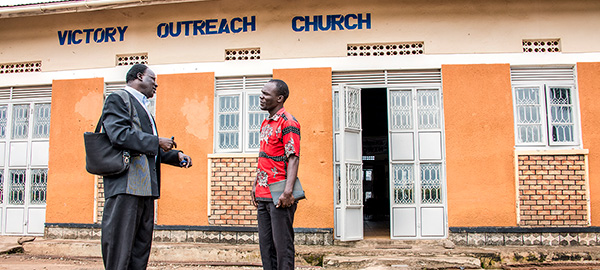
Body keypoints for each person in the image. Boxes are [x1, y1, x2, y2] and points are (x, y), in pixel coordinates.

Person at [101, 64, 192, 269]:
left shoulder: (144, 108)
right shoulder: (118, 99)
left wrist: (176, 156)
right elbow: (118, 135)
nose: (156, 85)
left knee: (140, 247)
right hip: (125, 185)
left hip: (145, 187)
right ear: (139, 76)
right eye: (153, 79)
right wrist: (156, 141)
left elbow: (147, 147)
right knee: (120, 245)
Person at [251, 79, 301, 270]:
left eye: (266, 94)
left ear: (279, 98)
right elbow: (265, 156)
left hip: (280, 194)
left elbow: (293, 157)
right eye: (261, 93)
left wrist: (288, 192)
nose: (261, 97)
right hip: (263, 193)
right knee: (266, 247)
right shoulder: (266, 122)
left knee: (282, 247)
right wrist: (255, 184)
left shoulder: (288, 122)